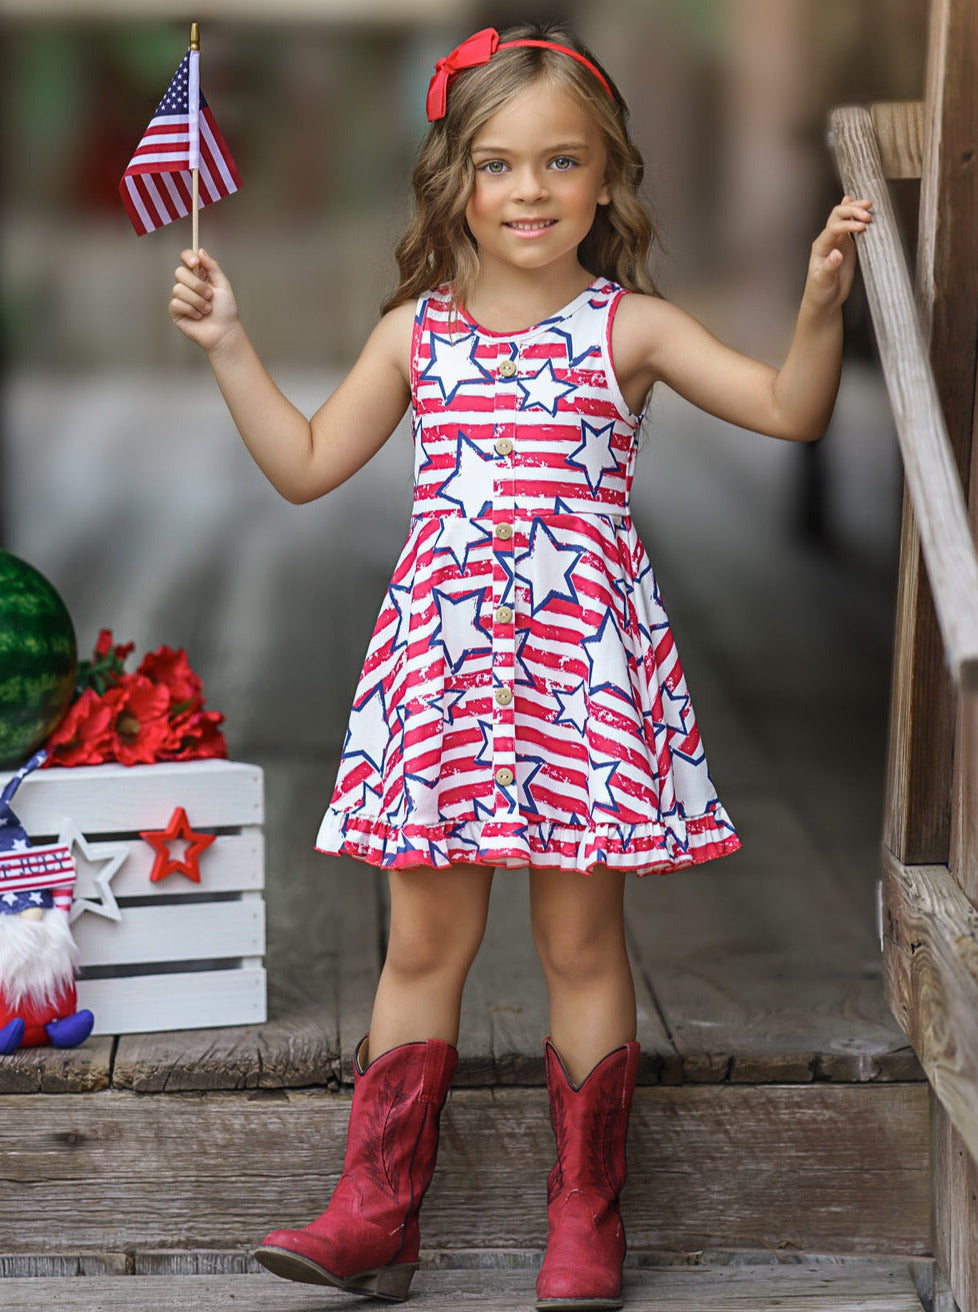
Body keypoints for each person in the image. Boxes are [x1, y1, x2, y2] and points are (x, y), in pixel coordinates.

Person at [168, 21, 872, 1310]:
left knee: (581, 941)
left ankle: (584, 1220)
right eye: (500, 165)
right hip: (440, 675)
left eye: (561, 162)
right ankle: (376, 1210)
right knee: (422, 943)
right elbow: (308, 466)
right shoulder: (413, 336)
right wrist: (230, 347)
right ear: (457, 180)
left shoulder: (634, 329)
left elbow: (792, 409)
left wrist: (823, 303)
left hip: (581, 675)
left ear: (607, 178)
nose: (531, 190)